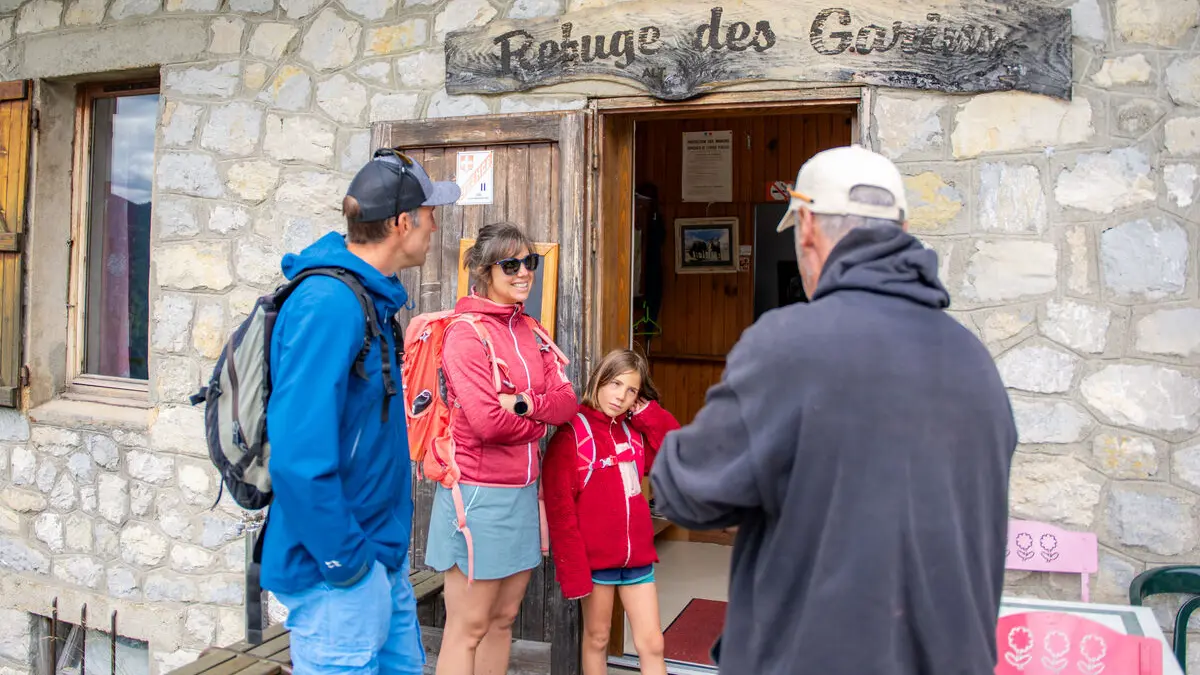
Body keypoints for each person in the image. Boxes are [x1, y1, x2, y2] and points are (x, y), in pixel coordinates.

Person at [650, 145, 1018, 675]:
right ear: (904, 228)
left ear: (805, 227)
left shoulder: (791, 344)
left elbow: (687, 493)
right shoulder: (974, 361)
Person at [261, 150, 461, 675]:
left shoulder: (370, 299)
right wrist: (347, 563)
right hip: (341, 575)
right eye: (429, 213)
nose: (436, 225)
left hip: (378, 559)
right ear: (401, 223)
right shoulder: (328, 305)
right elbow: (298, 459)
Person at [425, 222, 577, 675]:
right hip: (476, 495)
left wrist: (526, 403)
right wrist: (537, 424)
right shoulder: (465, 334)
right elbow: (488, 423)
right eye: (510, 264)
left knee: (503, 620)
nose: (523, 273)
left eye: (529, 262)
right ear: (483, 272)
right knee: (467, 627)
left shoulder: (531, 329)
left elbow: (567, 403)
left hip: (522, 493)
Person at [543, 349, 680, 675]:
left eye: (631, 390)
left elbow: (676, 451)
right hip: (596, 563)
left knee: (653, 644)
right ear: (599, 381)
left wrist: (647, 414)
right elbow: (560, 511)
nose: (620, 396)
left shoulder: (633, 431)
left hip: (638, 560)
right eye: (615, 384)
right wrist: (574, 573)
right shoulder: (571, 434)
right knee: (598, 637)